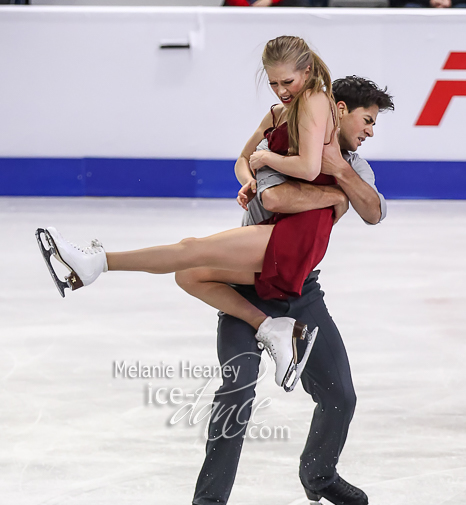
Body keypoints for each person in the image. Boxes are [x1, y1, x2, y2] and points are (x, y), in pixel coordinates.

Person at [36, 36, 341, 394]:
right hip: (277, 219)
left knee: (192, 248)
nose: (280, 90)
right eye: (272, 82)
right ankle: (272, 329)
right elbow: (242, 161)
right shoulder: (278, 113)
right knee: (190, 274)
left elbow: (308, 167)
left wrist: (267, 160)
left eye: (286, 81)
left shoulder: (314, 99)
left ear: (306, 71)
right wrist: (252, 181)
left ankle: (96, 264)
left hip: (300, 227)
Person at [182, 75, 394, 505]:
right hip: (247, 289)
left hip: (301, 291)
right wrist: (333, 189)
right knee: (235, 395)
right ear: (338, 109)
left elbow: (374, 211)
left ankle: (319, 475)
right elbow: (276, 196)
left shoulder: (355, 164)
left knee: (341, 393)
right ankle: (207, 502)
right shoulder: (288, 147)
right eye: (367, 119)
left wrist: (340, 171)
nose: (371, 131)